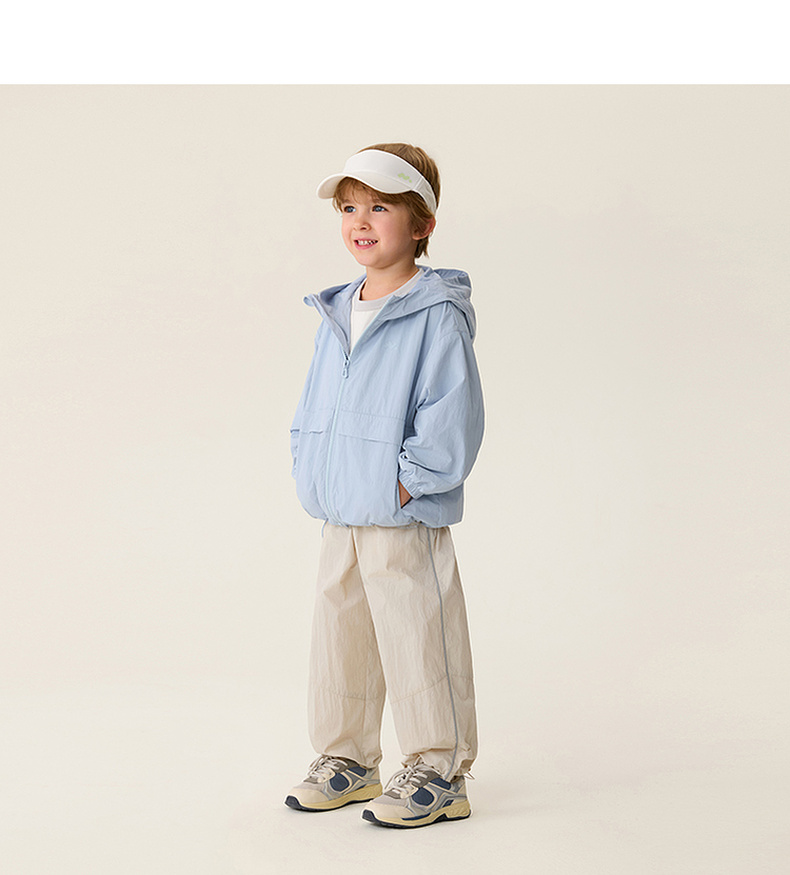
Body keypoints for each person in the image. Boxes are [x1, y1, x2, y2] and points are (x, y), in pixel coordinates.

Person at [286, 143, 484, 828]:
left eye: (379, 207)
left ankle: (440, 767)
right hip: (339, 506)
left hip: (402, 511)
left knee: (417, 630)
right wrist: (310, 466)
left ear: (421, 223)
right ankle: (348, 758)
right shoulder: (337, 309)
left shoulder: (435, 312)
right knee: (340, 630)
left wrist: (408, 484)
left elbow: (451, 413)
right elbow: (315, 403)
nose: (360, 221)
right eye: (349, 208)